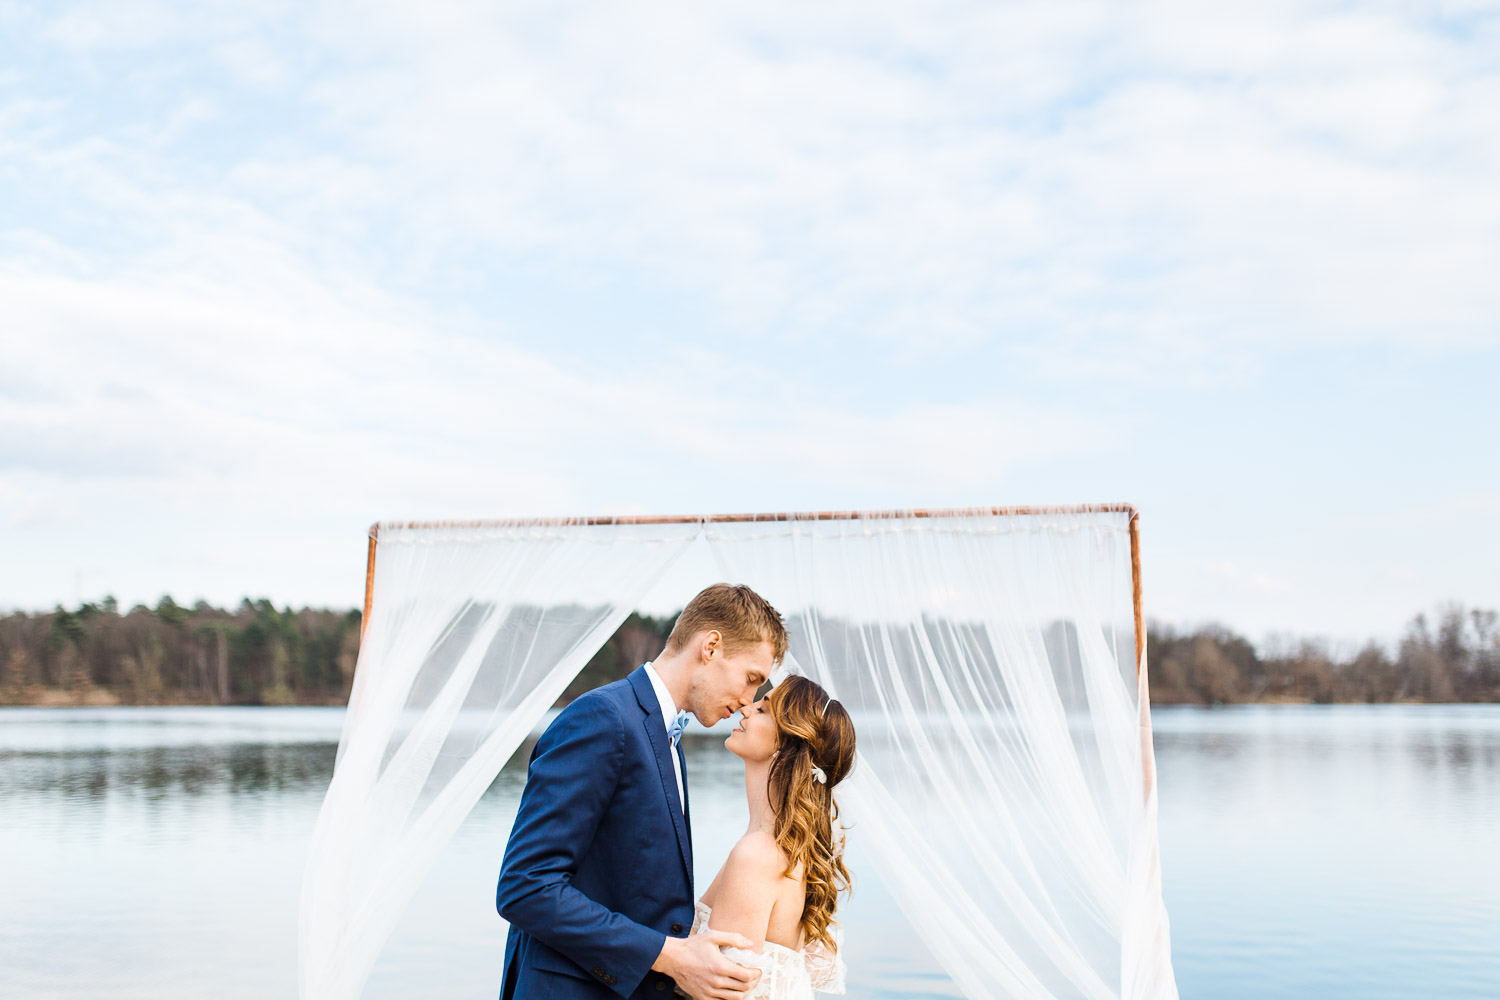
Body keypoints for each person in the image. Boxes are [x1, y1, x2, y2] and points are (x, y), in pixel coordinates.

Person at [496, 583, 787, 1000]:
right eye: (751, 678)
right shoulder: (604, 718)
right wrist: (670, 956)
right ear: (711, 646)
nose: (747, 701)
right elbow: (525, 887)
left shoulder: (668, 739)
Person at [687, 675, 855, 999]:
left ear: (787, 743)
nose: (746, 709)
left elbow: (720, 994)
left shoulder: (758, 856)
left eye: (763, 710)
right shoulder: (781, 849)